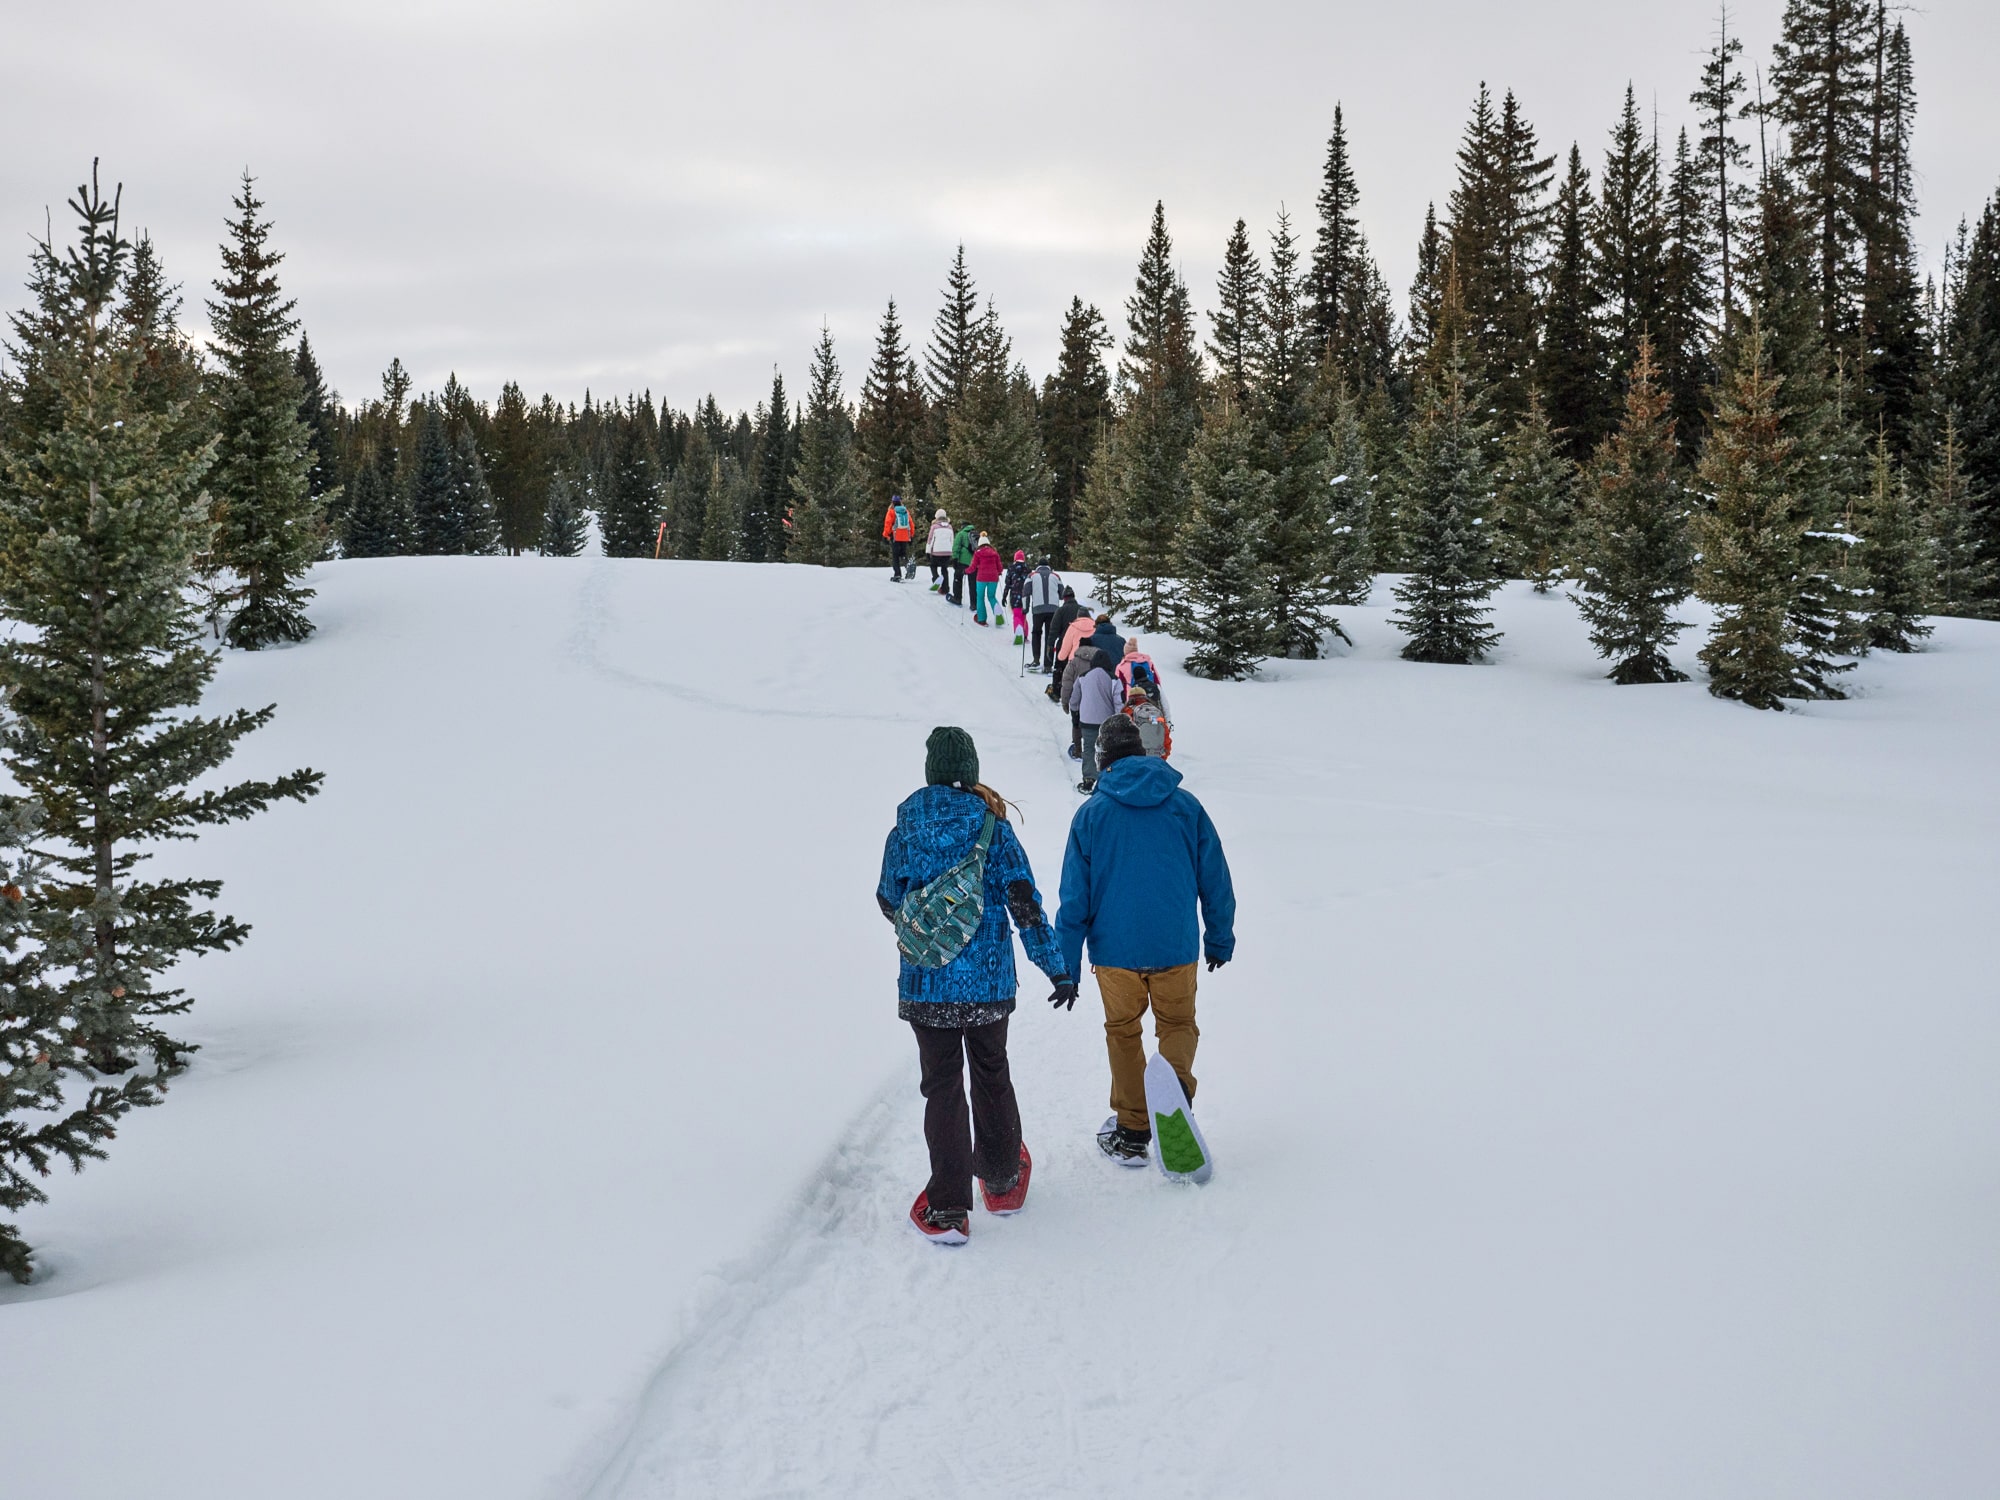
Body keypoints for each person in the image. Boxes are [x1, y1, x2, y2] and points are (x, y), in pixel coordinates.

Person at [878, 727, 1076, 1244]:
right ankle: (1003, 1181)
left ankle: (947, 1210)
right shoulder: (993, 828)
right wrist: (1054, 967)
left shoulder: (904, 830)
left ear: (931, 770)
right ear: (970, 768)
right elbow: (1025, 905)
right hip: (988, 984)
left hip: (927, 985)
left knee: (941, 1086)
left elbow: (886, 898)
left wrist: (932, 931)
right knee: (991, 1071)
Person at [1053, 716, 1235, 1167]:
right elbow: (1215, 879)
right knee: (1177, 1025)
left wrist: (1065, 966)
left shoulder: (1092, 815)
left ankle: (1133, 1130)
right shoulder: (1185, 806)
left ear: (1104, 760)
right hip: (1175, 946)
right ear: (1142, 752)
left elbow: (1074, 898)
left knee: (1123, 1031)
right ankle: (1173, 1096)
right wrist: (1219, 937)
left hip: (1115, 954)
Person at [1071, 648, 1124, 791]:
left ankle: (1089, 779)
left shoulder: (1082, 677)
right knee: (1107, 750)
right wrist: (1120, 721)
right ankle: (1107, 779)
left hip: (1087, 720)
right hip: (1107, 722)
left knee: (1088, 749)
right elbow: (1119, 702)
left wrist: (1075, 715)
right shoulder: (1113, 679)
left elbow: (1074, 699)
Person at [1045, 586, 1084, 695]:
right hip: (1081, 644)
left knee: (1060, 667)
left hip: (1064, 643)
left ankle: (1057, 690)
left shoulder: (1061, 610)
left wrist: (1050, 645)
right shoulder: (1081, 610)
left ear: (1064, 598)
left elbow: (1054, 630)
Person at [1116, 638, 1167, 718]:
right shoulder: (1148, 662)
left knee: (1135, 723)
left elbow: (1118, 687)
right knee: (1151, 722)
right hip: (1151, 699)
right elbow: (1157, 680)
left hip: (1131, 701)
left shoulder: (1121, 666)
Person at [1026, 560, 1064, 669]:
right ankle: (1048, 665)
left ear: (1038, 566)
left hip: (1038, 609)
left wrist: (1025, 608)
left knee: (1036, 633)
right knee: (1050, 636)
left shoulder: (1031, 576)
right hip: (1053, 610)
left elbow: (1025, 593)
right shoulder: (1056, 576)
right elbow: (1062, 594)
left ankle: (1036, 660)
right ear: (1048, 566)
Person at [1122, 685, 1172, 758]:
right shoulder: (1154, 713)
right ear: (1145, 697)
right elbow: (1165, 733)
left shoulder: (1127, 713)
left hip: (1136, 759)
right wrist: (1162, 757)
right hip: (1156, 758)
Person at [969, 533, 1004, 625]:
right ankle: (998, 612)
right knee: (991, 596)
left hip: (981, 578)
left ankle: (981, 619)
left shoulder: (978, 553)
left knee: (980, 597)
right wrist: (999, 572)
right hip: (993, 578)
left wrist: (966, 571)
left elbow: (973, 566)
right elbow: (1000, 567)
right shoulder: (994, 553)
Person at [881, 496, 914, 580]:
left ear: (892, 502)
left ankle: (897, 574)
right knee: (903, 554)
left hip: (895, 536)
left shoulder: (891, 511)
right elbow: (911, 524)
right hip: (905, 536)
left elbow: (888, 524)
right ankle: (908, 567)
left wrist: (885, 535)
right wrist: (911, 535)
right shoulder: (905, 511)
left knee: (895, 556)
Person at [1004, 550, 1032, 645]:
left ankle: (1018, 632)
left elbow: (1007, 583)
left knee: (1016, 614)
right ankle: (1025, 635)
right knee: (1023, 615)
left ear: (1015, 558)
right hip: (1025, 595)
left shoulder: (1011, 568)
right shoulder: (1028, 569)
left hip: (1014, 595)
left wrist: (1004, 596)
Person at [924, 508, 955, 591]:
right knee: (944, 569)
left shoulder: (934, 526)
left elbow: (930, 540)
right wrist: (953, 552)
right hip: (947, 552)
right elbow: (952, 540)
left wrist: (927, 552)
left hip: (936, 552)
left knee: (933, 566)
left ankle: (936, 579)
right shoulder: (949, 527)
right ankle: (945, 588)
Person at [950, 519, 977, 606]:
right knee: (973, 583)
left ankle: (957, 598)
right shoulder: (976, 534)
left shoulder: (961, 534)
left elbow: (956, 547)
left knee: (958, 578)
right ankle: (974, 604)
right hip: (974, 562)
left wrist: (955, 559)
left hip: (962, 561)